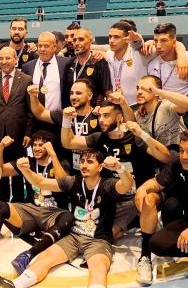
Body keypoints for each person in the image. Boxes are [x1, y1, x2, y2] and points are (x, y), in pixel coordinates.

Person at [0, 149, 134, 288]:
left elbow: (127, 185)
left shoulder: (108, 185)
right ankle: (14, 286)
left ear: (100, 167)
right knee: (44, 258)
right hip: (73, 237)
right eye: (82, 161)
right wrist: (24, 169)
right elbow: (40, 182)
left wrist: (119, 168)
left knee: (98, 268)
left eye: (90, 162)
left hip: (98, 240)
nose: (84, 165)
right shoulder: (73, 181)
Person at [0, 139, 74, 274]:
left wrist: (53, 155)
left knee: (68, 218)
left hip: (55, 213)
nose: (37, 148)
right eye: (34, 145)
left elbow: (64, 183)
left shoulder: (61, 162)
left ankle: (27, 255)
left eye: (41, 145)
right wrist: (1, 147)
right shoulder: (28, 161)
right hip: (32, 210)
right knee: (1, 206)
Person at [61, 100, 172, 240]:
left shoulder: (135, 138)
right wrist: (66, 120)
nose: (101, 120)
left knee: (108, 234)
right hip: (112, 198)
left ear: (119, 118)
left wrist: (143, 134)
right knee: (96, 234)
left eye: (106, 116)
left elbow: (166, 157)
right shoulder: (99, 137)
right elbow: (68, 142)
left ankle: (140, 220)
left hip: (135, 198)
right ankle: (130, 223)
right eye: (100, 116)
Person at [135, 129, 188, 284]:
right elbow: (157, 182)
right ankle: (145, 257)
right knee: (156, 244)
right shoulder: (177, 163)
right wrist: (142, 189)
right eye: (181, 150)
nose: (184, 156)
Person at [0, 46, 33, 202]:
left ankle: (18, 204)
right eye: (1, 58)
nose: (4, 61)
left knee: (17, 171)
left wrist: (28, 133)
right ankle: (2, 204)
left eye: (8, 58)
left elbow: (30, 111)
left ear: (15, 60)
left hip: (18, 134)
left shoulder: (25, 79)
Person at [28, 79, 100, 174]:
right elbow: (40, 113)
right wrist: (33, 97)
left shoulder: (99, 115)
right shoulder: (64, 114)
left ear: (90, 96)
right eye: (71, 93)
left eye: (78, 93)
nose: (73, 97)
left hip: (93, 170)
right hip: (68, 169)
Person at [147, 23, 188, 129]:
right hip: (160, 112)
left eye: (164, 41)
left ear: (174, 42)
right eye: (156, 41)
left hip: (185, 113)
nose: (158, 46)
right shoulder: (151, 62)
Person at [65, 27, 112, 107]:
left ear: (90, 41)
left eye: (81, 39)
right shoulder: (69, 64)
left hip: (94, 113)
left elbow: (108, 93)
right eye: (75, 40)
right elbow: (65, 93)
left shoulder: (99, 62)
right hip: (73, 113)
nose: (76, 43)